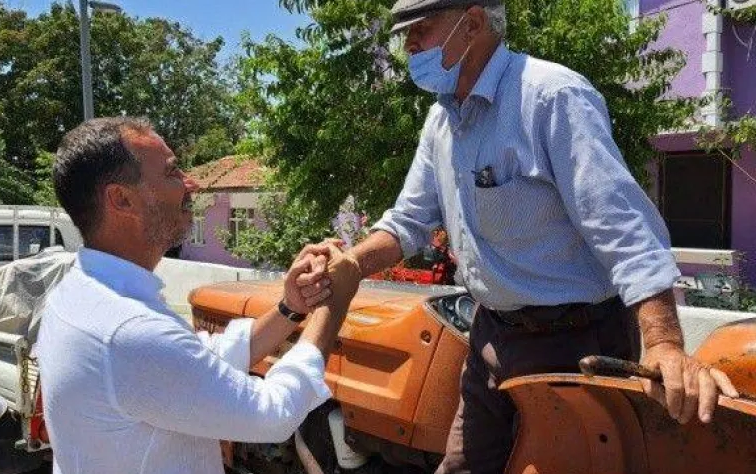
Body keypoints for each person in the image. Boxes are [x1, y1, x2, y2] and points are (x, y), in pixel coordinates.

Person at [300, 1, 740, 473]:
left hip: (576, 344)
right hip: (491, 335)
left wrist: (664, 343)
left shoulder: (552, 96)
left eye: (421, 29)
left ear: (472, 23)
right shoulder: (442, 121)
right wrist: (351, 263)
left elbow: (623, 229)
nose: (408, 45)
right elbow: (408, 221)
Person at [36, 117, 361, 474]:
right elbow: (272, 414)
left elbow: (196, 362)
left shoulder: (81, 294)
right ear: (122, 199)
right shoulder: (128, 330)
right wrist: (333, 305)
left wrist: (291, 307)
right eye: (172, 173)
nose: (191, 183)